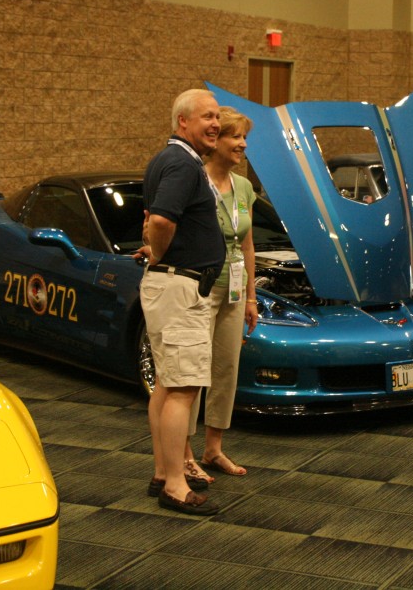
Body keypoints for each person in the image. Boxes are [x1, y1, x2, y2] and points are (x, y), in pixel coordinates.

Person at [141, 88, 226, 515]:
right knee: (182, 389)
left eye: (217, 117)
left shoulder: (172, 159)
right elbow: (159, 220)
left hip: (173, 286)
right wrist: (159, 253)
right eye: (207, 117)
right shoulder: (181, 162)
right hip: (179, 288)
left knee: (167, 384)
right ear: (183, 122)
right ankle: (175, 485)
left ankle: (163, 472)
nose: (216, 124)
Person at [183, 107, 258, 479]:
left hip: (234, 288)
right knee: (191, 372)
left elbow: (246, 245)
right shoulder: (193, 181)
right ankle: (183, 453)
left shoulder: (243, 187)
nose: (242, 144)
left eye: (244, 137)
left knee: (226, 368)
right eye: (235, 137)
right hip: (199, 286)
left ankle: (213, 449)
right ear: (216, 141)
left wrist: (250, 297)